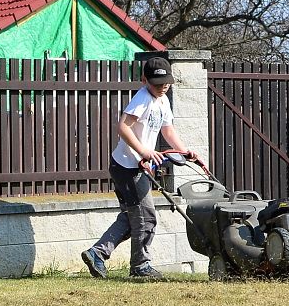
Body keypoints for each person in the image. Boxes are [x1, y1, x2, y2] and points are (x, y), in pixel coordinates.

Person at [81, 56, 203, 280]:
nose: (163, 87)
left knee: (132, 219)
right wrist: (144, 151)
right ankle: (140, 267)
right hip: (128, 167)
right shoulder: (143, 98)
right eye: (158, 84)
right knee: (146, 218)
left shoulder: (162, 101)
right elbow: (123, 127)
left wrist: (185, 151)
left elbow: (168, 131)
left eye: (166, 83)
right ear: (144, 80)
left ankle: (96, 254)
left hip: (130, 167)